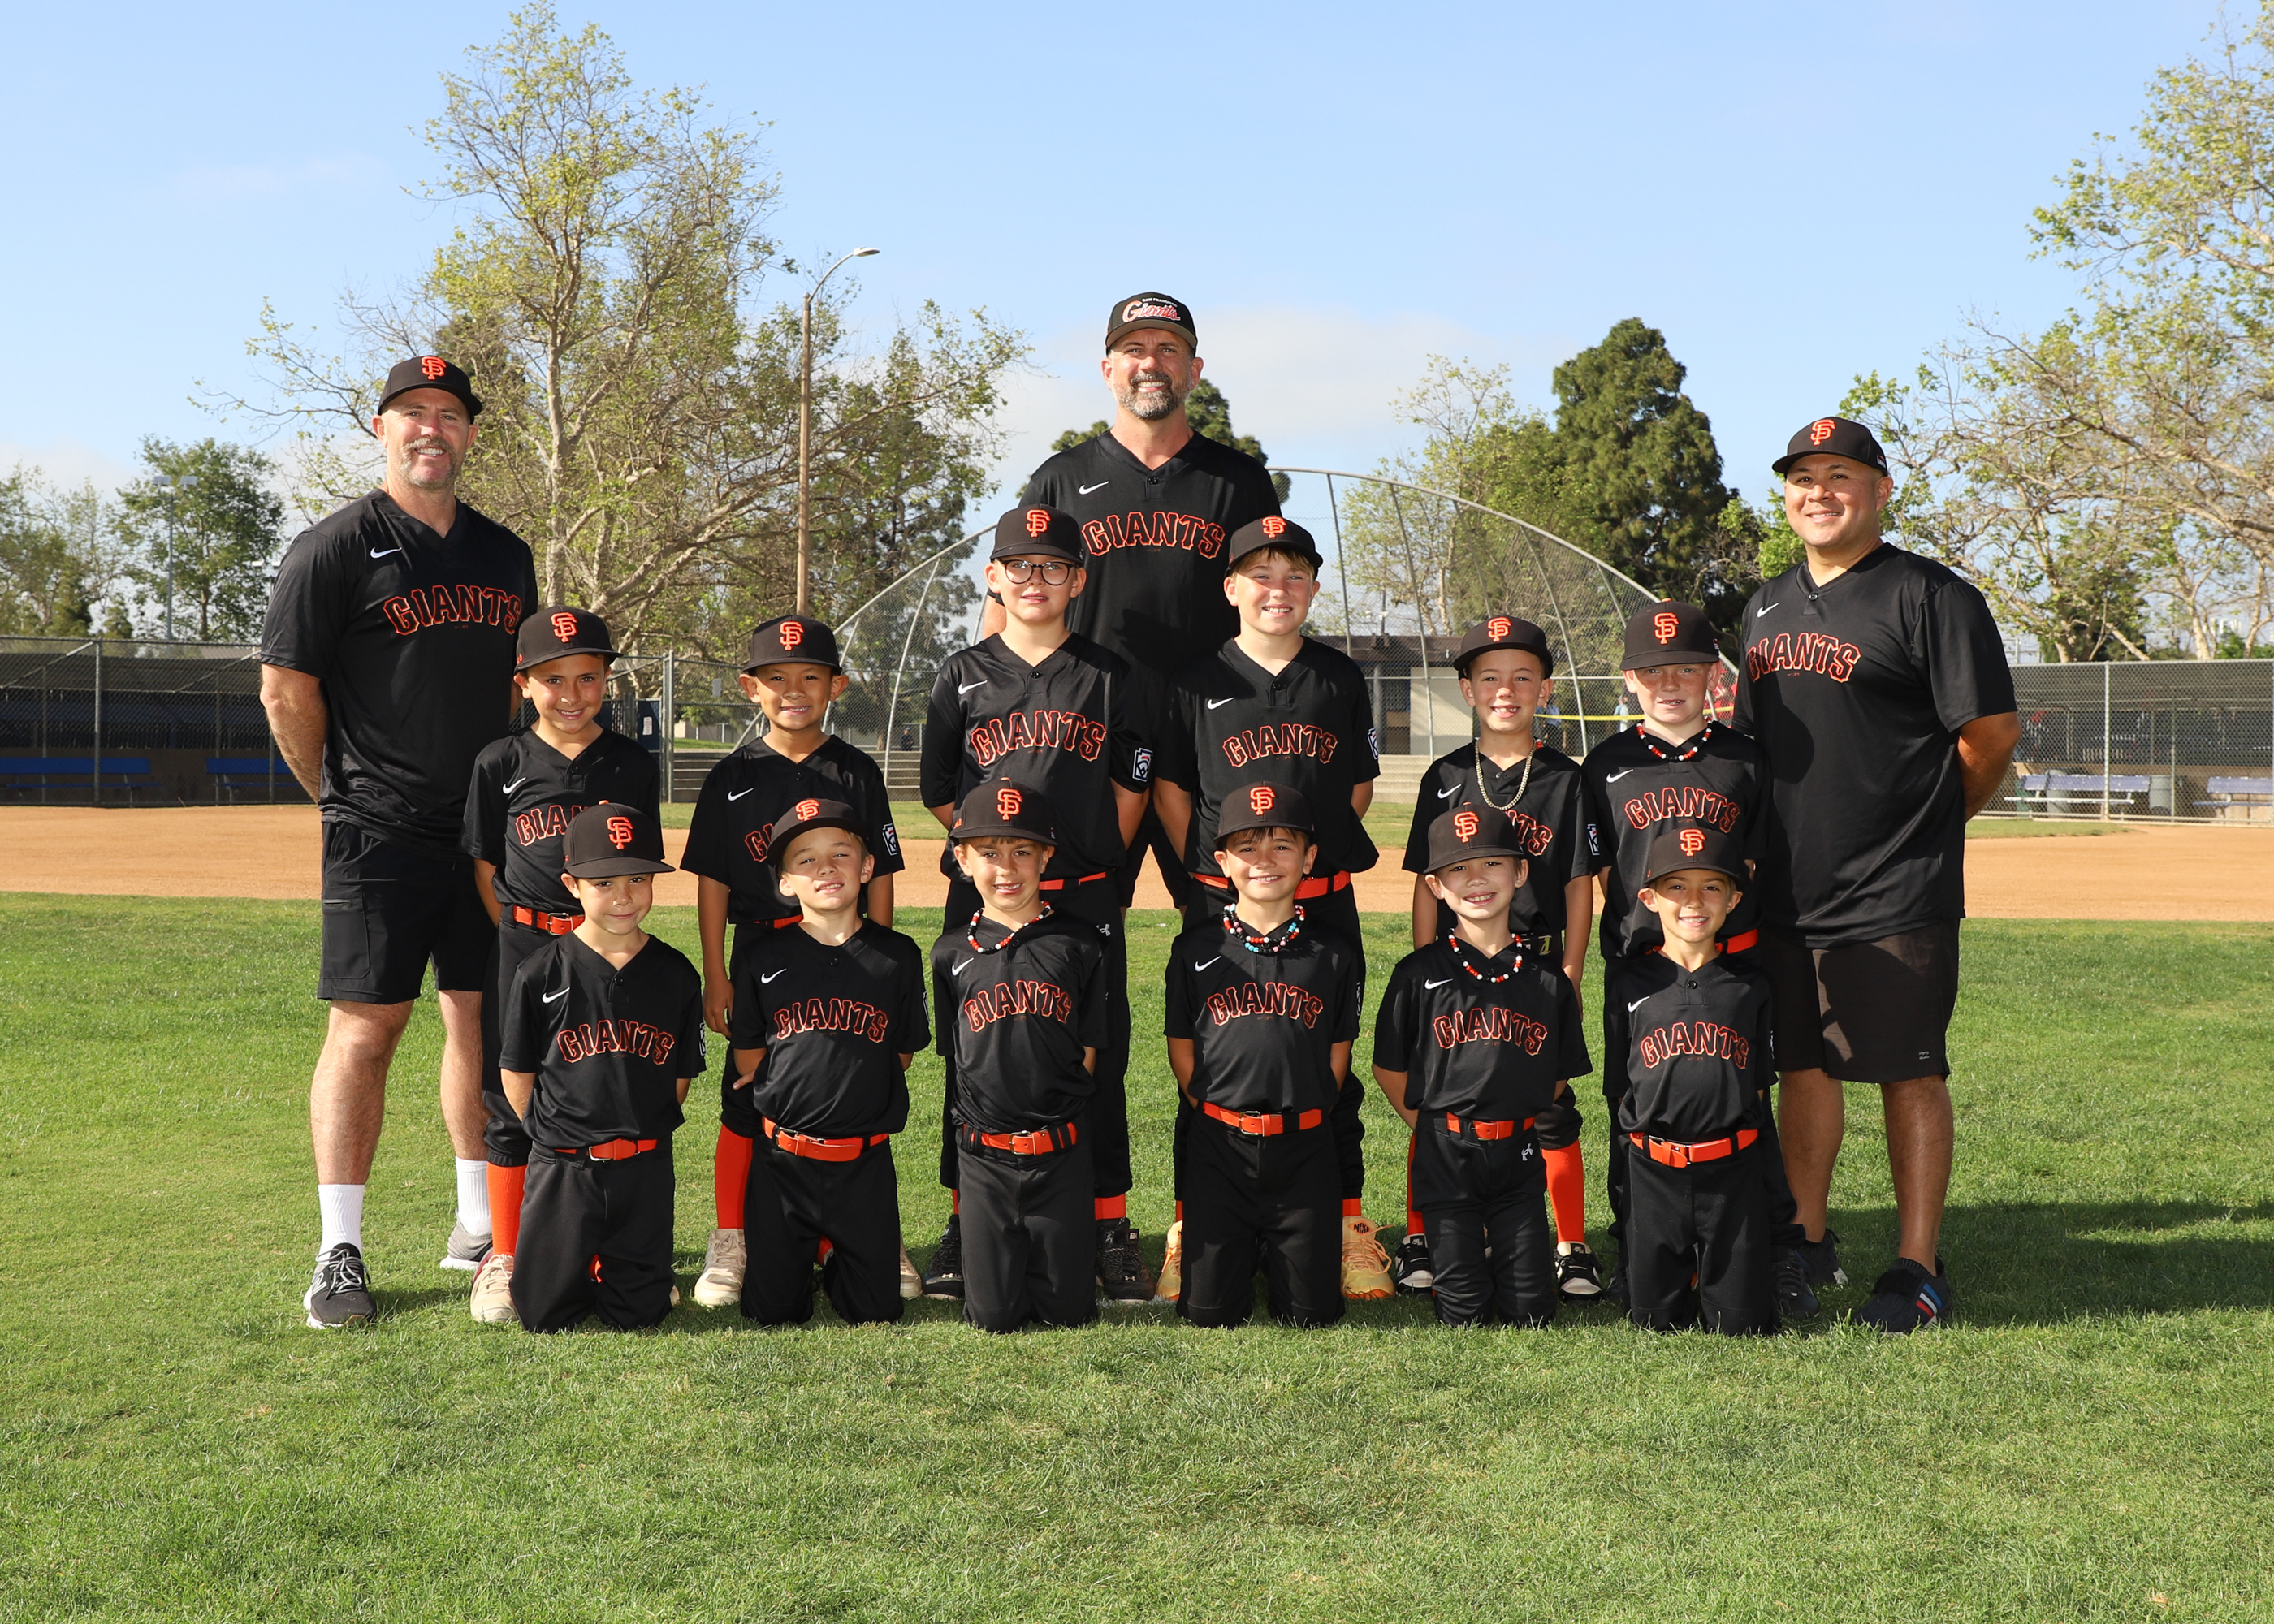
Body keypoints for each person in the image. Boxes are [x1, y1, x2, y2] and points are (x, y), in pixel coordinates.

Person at [259, 354, 540, 1329]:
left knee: (482, 1022)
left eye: (449, 414)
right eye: (412, 412)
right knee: (367, 1027)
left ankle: (478, 1223)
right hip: (375, 830)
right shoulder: (332, 547)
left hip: (485, 835)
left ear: (470, 434)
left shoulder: (505, 554)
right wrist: (338, 796)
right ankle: (338, 1249)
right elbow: (285, 689)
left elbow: (520, 687)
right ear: (381, 428)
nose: (431, 428)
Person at [1738, 416, 2020, 1332]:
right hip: (1786, 886)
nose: (1817, 492)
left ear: (1880, 489)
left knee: (1909, 1072)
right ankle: (1806, 1238)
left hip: (1897, 887)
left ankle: (1917, 1264)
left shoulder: (1931, 595)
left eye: (1839, 475)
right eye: (1802, 477)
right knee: (1803, 1065)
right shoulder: (1765, 604)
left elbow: (1990, 734)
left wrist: (1932, 823)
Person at [918, 505, 1152, 1305]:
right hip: (985, 898)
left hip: (1080, 897)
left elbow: (1131, 785)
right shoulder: (961, 673)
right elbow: (940, 791)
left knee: (1099, 1056)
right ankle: (967, 1220)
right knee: (973, 1057)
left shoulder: (1110, 673)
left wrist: (1086, 859)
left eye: (1053, 566)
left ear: (1077, 581)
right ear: (993, 576)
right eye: (1019, 565)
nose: (1035, 580)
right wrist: (991, 864)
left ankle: (1107, 1224)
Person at [1153, 516, 1391, 1301]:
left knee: (1329, 1064)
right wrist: (1213, 874)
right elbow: (1173, 788)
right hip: (1223, 898)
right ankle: (1192, 1224)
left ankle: (1344, 1223)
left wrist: (1308, 865)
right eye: (1260, 575)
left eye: (1294, 576)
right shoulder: (1194, 680)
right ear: (1231, 588)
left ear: (1314, 589)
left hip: (1322, 899)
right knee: (1212, 1060)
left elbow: (1356, 785)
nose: (1277, 590)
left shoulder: (1338, 676)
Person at [1008, 292, 1282, 911]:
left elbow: (1275, 601)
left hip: (1214, 732)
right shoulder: (1060, 479)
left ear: (1194, 369)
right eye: (1133, 349)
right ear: (1109, 369)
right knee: (1073, 917)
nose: (1151, 362)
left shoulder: (1240, 482)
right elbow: (1010, 601)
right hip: (1090, 732)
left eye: (1168, 349)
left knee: (1232, 914)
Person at [1579, 598, 1814, 1316]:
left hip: (1732, 960)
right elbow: (1602, 871)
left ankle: (1772, 1250)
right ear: (1629, 680)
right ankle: (1640, 1251)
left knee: (1747, 1102)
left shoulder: (1742, 757)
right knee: (1631, 1102)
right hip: (1640, 964)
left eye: (1686, 668)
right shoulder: (1607, 764)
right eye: (1653, 671)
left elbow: (1756, 863)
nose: (1669, 683)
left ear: (1714, 674)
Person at [678, 615, 905, 1310]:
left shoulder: (856, 769)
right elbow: (714, 881)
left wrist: (877, 958)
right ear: (751, 688)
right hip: (762, 951)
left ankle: (857, 1235)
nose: (794, 690)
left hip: (847, 947)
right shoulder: (731, 774)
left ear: (837, 686)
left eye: (810, 676)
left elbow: (882, 873)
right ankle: (733, 1235)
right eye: (776, 678)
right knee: (747, 1093)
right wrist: (716, 973)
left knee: (852, 1083)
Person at [460, 606, 658, 1324]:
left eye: (588, 678)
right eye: (553, 680)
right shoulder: (500, 762)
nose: (572, 695)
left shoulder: (631, 763)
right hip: (526, 945)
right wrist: (526, 936)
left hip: (608, 949)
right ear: (524, 684)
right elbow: (487, 865)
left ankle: (604, 1250)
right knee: (509, 1098)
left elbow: (639, 864)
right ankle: (506, 1255)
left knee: (605, 1091)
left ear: (607, 680)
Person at [1396, 616, 1597, 1304]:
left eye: (1521, 677)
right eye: (1489, 678)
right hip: (1452, 966)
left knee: (1551, 1103)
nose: (1505, 690)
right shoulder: (1446, 775)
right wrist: (1426, 962)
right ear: (1466, 690)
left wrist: (1571, 971)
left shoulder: (1565, 778)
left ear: (1545, 689)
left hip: (1534, 963)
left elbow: (1578, 882)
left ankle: (1571, 1244)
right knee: (1440, 1096)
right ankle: (1423, 1233)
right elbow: (1423, 878)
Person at [1371, 806, 1590, 1327]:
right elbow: (1388, 1068)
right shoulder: (1417, 974)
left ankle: (1509, 1254)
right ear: (1435, 886)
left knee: (1531, 1313)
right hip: (1446, 1156)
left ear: (1520, 872)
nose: (1476, 879)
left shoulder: (1547, 981)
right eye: (1458, 869)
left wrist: (1513, 1114)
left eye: (1492, 863)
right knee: (1463, 1313)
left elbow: (1557, 1074)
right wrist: (1431, 1127)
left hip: (1518, 1156)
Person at [498, 803, 704, 1332]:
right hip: (564, 1166)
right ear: (572, 885)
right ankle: (568, 1264)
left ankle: (634, 1272)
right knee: (544, 1315)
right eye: (604, 882)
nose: (623, 896)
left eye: (638, 879)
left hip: (644, 1166)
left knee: (639, 1315)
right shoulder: (539, 972)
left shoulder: (676, 974)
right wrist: (548, 1137)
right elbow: (516, 1072)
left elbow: (679, 1078)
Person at [1165, 784, 1364, 1329]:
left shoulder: (1333, 953)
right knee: (1208, 1314)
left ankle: (1278, 1247)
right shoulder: (1196, 948)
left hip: (1304, 1151)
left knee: (1311, 1315)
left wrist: (1305, 1112)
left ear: (1309, 858)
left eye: (1282, 846)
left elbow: (1337, 1054)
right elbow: (1182, 1046)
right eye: (1247, 847)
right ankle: (1226, 1244)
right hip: (1219, 1148)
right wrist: (1215, 1112)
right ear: (1223, 862)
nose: (1265, 860)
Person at [729, 799, 929, 1328]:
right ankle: (799, 1256)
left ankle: (836, 1257)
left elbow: (903, 1052)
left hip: (864, 1162)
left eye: (841, 853)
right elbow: (749, 1052)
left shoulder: (897, 956)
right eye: (806, 859)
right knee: (772, 1313)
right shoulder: (761, 956)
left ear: (867, 867)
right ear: (785, 882)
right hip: (782, 1161)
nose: (826, 868)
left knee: (876, 1313)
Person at [932, 780, 1109, 1333]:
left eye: (1023, 851)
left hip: (1060, 1154)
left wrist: (1057, 1124)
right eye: (989, 852)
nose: (1006, 868)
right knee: (992, 1317)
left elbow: (1088, 1050)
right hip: (984, 1157)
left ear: (1046, 857)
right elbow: (958, 1060)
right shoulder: (949, 952)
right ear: (962, 859)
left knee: (1067, 1314)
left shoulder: (1080, 943)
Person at [1609, 826, 1779, 1336]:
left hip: (1732, 1171)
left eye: (1712, 886)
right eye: (1677, 886)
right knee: (1652, 1322)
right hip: (1653, 1168)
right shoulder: (1629, 983)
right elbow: (1621, 1091)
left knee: (1741, 1325)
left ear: (1733, 899)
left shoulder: (1750, 986)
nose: (1694, 901)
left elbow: (1759, 1092)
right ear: (1649, 898)